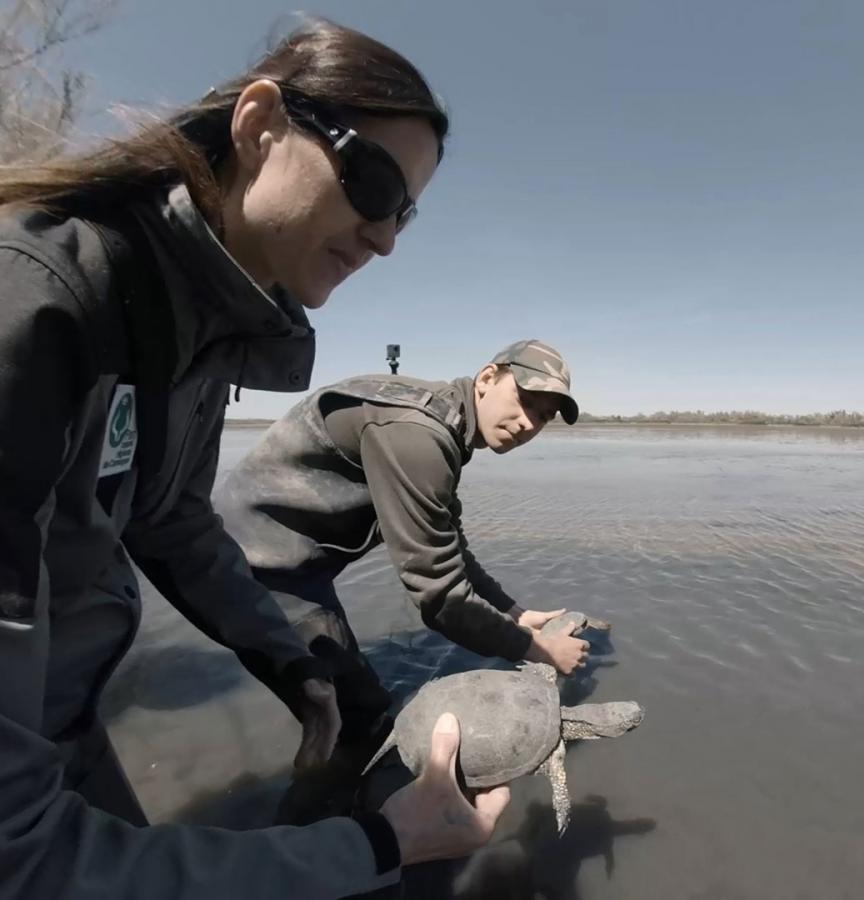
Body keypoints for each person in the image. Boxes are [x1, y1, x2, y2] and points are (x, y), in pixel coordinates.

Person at [0, 17, 509, 898]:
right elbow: (21, 855)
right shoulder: (39, 308)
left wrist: (288, 662)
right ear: (260, 122)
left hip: (64, 714)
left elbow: (170, 518)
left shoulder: (198, 329)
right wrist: (381, 847)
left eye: (406, 213)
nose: (386, 237)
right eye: (374, 182)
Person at [212, 340, 589, 820]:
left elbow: (448, 542)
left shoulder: (446, 425)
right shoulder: (417, 435)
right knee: (355, 715)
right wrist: (539, 649)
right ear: (488, 378)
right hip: (255, 562)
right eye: (526, 401)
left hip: (295, 560)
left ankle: (335, 822)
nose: (528, 423)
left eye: (543, 417)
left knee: (350, 707)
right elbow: (441, 598)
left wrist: (514, 612)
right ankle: (316, 841)